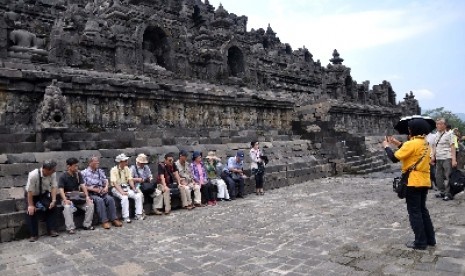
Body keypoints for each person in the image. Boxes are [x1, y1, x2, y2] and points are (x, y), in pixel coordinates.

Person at [383, 118, 436, 250]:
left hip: (412, 181)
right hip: (424, 180)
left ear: (414, 130)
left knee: (414, 212)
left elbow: (394, 158)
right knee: (423, 210)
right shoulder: (425, 143)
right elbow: (412, 153)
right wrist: (397, 143)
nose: (409, 130)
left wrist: (386, 147)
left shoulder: (411, 144)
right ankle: (430, 239)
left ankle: (420, 242)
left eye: (410, 128)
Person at [82, 156, 123, 229]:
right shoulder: (84, 173)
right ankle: (104, 221)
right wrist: (93, 189)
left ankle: (114, 219)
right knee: (99, 201)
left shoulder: (100, 171)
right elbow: (83, 186)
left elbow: (106, 180)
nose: (98, 162)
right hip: (92, 193)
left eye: (98, 161)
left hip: (102, 191)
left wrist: (106, 187)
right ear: (90, 163)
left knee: (110, 199)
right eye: (95, 161)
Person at [25, 160, 59, 242]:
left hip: (43, 194)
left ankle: (51, 229)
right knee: (31, 211)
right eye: (52, 170)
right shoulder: (33, 175)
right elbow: (29, 191)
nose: (54, 171)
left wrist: (53, 200)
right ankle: (34, 234)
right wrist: (31, 205)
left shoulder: (53, 173)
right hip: (32, 195)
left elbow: (54, 187)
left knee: (52, 207)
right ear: (45, 169)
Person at [58, 157, 95, 234]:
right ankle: (70, 228)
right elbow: (61, 189)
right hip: (68, 198)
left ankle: (87, 224)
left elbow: (83, 185)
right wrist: (65, 200)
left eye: (77, 166)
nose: (76, 167)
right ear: (69, 166)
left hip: (78, 198)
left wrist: (87, 197)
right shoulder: (63, 176)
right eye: (75, 166)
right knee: (67, 207)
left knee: (90, 204)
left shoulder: (78, 174)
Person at [110, 153, 145, 223]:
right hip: (117, 188)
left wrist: (134, 188)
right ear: (120, 162)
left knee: (138, 195)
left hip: (126, 187)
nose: (127, 162)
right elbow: (115, 183)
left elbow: (130, 180)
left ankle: (138, 214)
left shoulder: (127, 169)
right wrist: (121, 192)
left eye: (126, 160)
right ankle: (125, 217)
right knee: (124, 197)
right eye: (125, 161)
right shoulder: (113, 170)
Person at [431, 118, 457, 201]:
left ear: (444, 125)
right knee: (438, 176)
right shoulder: (436, 135)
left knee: (448, 175)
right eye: (437, 124)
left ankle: (448, 193)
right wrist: (432, 156)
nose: (438, 125)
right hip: (438, 157)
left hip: (447, 157)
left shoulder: (450, 134)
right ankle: (441, 191)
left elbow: (452, 147)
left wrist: (454, 159)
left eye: (440, 124)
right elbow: (434, 146)